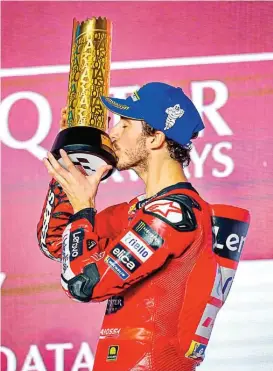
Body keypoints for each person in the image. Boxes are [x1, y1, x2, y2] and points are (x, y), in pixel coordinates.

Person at [37, 82, 250, 371]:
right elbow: (57, 243)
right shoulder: (138, 211)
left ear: (155, 139)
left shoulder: (175, 214)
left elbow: (82, 285)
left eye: (124, 125)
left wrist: (85, 207)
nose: (112, 133)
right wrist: (74, 164)